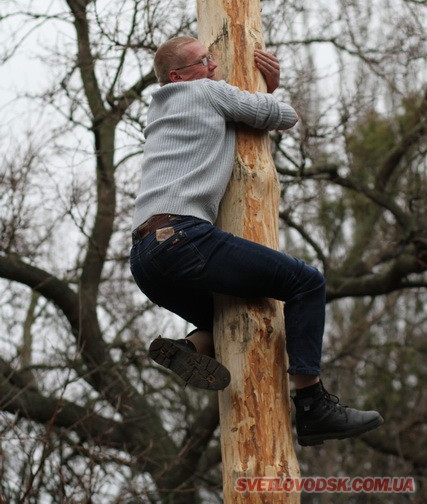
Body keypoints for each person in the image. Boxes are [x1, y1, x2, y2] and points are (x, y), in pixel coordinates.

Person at [130, 36, 383, 446]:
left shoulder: (159, 111)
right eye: (204, 60)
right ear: (178, 75)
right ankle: (313, 404)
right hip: (182, 236)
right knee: (307, 283)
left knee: (227, 316)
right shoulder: (207, 91)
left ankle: (190, 348)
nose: (214, 66)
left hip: (145, 256)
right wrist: (268, 83)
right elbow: (283, 116)